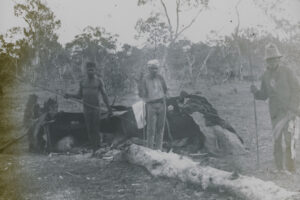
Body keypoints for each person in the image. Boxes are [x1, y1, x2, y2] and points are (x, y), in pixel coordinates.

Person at [251, 43, 300, 173]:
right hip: (275, 114)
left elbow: (297, 89)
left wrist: (293, 108)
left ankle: (291, 168)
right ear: (266, 61)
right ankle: (279, 168)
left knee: (289, 140)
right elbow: (264, 95)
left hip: (289, 112)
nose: (271, 62)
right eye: (269, 60)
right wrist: (255, 92)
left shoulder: (287, 71)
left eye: (274, 59)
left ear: (278, 59)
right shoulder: (265, 75)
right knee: (277, 140)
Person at [64, 62, 112, 151]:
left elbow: (104, 95)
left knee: (96, 128)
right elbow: (79, 95)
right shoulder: (82, 82)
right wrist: (69, 95)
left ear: (95, 70)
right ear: (86, 70)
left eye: (92, 69)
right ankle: (93, 146)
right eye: (88, 69)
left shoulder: (99, 81)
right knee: (89, 128)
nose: (90, 71)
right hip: (86, 109)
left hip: (96, 108)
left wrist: (109, 108)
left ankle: (97, 147)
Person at [139, 59, 168, 150]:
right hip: (151, 106)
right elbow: (142, 94)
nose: (154, 70)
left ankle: (159, 149)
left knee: (160, 128)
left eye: (156, 68)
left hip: (162, 105)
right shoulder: (145, 79)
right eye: (152, 69)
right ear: (149, 69)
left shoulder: (160, 77)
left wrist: (164, 98)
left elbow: (165, 89)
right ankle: (150, 149)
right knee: (151, 129)